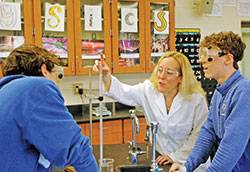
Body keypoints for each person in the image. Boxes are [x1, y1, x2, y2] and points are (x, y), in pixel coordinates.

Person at [93, 51, 210, 171]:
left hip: (190, 164)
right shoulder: (148, 90)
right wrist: (106, 75)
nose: (161, 76)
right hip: (162, 161)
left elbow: (200, 136)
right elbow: (124, 92)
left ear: (181, 78)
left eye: (169, 73)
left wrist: (175, 156)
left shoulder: (195, 100)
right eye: (160, 70)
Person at [0, 44, 99, 172]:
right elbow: (77, 150)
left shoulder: (6, 90)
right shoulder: (37, 88)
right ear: (44, 70)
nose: (57, 84)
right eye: (58, 77)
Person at [169, 31, 250, 172]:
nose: (202, 61)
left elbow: (231, 146)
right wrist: (187, 166)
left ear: (228, 59)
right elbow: (208, 132)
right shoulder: (220, 91)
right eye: (201, 55)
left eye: (209, 57)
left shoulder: (244, 91)